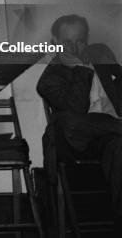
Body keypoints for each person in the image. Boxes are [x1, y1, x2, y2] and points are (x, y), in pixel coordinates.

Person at [37, 14, 122, 219]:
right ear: (55, 43)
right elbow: (76, 111)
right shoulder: (50, 78)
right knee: (69, 122)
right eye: (67, 43)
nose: (75, 48)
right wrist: (80, 70)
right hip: (77, 142)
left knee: (119, 147)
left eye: (80, 41)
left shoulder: (101, 57)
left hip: (109, 136)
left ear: (87, 39)